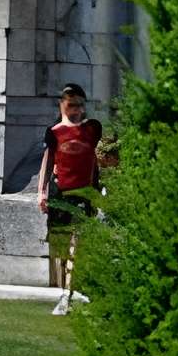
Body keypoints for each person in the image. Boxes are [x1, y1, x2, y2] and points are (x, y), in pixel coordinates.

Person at [41, 84, 108, 311]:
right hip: (60, 193)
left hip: (83, 194)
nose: (76, 109)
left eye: (79, 104)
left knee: (76, 245)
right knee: (60, 249)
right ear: (63, 106)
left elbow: (99, 156)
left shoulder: (92, 129)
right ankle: (64, 293)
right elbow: (48, 162)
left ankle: (68, 294)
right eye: (71, 104)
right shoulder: (54, 132)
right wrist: (41, 192)